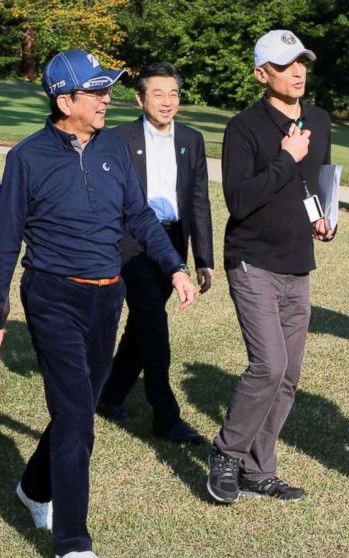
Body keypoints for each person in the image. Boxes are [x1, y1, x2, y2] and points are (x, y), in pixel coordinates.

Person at [0, 49, 197, 558]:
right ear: (64, 99)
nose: (106, 99)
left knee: (75, 410)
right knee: (77, 416)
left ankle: (33, 486)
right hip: (53, 296)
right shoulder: (27, 158)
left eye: (107, 89)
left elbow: (139, 217)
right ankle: (73, 542)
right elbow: (6, 242)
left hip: (107, 296)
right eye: (96, 91)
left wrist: (175, 266)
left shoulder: (114, 148)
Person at [205, 30, 334, 505]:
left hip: (297, 264)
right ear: (262, 74)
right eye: (284, 65)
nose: (297, 72)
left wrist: (324, 218)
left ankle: (259, 470)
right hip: (251, 261)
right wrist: (285, 158)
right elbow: (238, 201)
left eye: (301, 62)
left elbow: (314, 184)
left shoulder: (318, 119)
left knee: (290, 373)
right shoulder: (244, 127)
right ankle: (226, 454)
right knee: (269, 365)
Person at [96, 62, 213, 445]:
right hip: (132, 244)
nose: (167, 101)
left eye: (174, 93)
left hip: (173, 242)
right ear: (140, 97)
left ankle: (108, 394)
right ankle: (166, 417)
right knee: (153, 322)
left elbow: (199, 201)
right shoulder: (118, 139)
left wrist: (203, 259)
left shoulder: (192, 139)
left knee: (140, 327)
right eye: (158, 93)